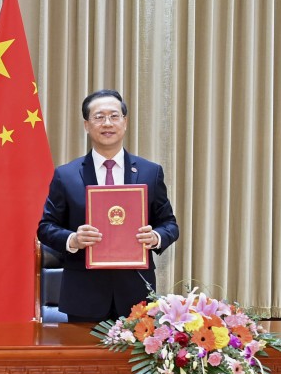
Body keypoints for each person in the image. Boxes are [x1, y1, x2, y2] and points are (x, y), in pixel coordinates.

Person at [37, 89, 179, 322]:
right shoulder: (67, 175)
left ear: (125, 122)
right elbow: (45, 228)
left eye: (114, 116)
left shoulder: (149, 172)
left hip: (136, 295)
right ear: (86, 125)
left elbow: (169, 224)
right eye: (99, 117)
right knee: (84, 360)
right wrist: (73, 239)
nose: (107, 123)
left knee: (133, 360)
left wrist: (155, 236)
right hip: (84, 295)